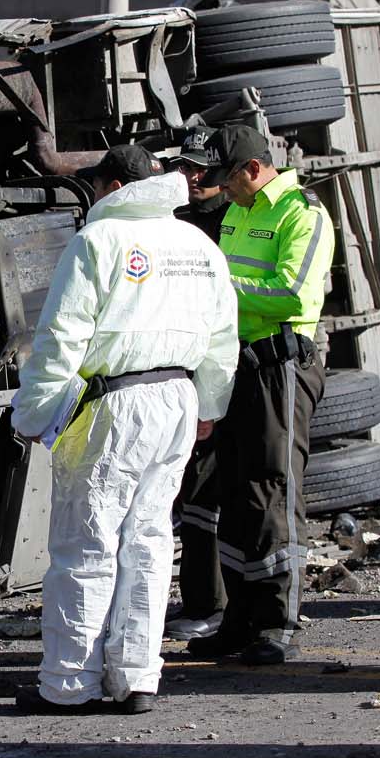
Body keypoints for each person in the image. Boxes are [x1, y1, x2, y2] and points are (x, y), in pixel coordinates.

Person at [11, 144, 238, 713]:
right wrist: (209, 404)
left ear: (112, 186)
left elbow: (62, 337)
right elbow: (221, 337)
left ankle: (69, 685)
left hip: (113, 407)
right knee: (151, 542)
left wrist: (35, 413)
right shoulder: (198, 244)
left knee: (86, 545)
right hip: (179, 401)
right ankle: (137, 677)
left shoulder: (98, 241)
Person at [188, 124, 334, 666]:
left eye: (227, 180)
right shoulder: (237, 211)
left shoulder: (302, 212)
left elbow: (294, 293)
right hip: (238, 364)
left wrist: (219, 291)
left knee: (275, 489)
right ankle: (241, 618)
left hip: (281, 367)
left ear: (252, 169)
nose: (220, 190)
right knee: (237, 492)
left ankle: (279, 621)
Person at [165, 127, 231, 642]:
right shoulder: (178, 224)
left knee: (222, 492)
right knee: (193, 494)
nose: (191, 177)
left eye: (201, 168)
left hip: (234, 367)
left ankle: (220, 604)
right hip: (189, 369)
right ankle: (202, 600)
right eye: (184, 168)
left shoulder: (239, 221)